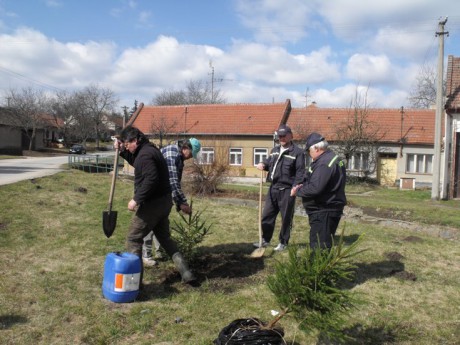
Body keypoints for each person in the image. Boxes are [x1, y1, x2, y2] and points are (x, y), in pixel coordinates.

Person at [115, 125, 196, 284]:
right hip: (165, 202)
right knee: (165, 239)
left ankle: (134, 283)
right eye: (124, 144)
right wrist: (122, 151)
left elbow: (151, 179)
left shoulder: (145, 154)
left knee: (133, 238)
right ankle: (186, 273)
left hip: (152, 205)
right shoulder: (149, 150)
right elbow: (138, 163)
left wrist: (136, 199)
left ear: (136, 140)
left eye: (127, 144)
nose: (127, 147)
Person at [142, 138, 201, 267]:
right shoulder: (172, 154)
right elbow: (173, 181)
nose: (190, 157)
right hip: (152, 191)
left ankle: (159, 251)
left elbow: (174, 182)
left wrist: (178, 201)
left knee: (161, 221)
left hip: (162, 193)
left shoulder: (179, 156)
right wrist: (182, 203)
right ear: (186, 148)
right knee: (150, 223)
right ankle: (146, 255)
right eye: (191, 154)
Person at [253, 124, 305, 251]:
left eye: (284, 135)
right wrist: (262, 164)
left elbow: (300, 173)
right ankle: (265, 239)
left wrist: (295, 188)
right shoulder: (275, 150)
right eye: (279, 136)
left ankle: (283, 242)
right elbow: (269, 163)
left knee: (286, 218)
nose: (281, 138)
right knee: (267, 215)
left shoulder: (297, 153)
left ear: (290, 136)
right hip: (273, 188)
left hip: (287, 190)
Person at [291, 132, 347, 249]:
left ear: (316, 148)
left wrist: (298, 191)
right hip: (329, 208)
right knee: (323, 243)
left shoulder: (324, 163)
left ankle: (317, 267)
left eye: (309, 151)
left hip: (323, 210)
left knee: (319, 246)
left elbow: (315, 188)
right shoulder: (332, 158)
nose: (309, 154)